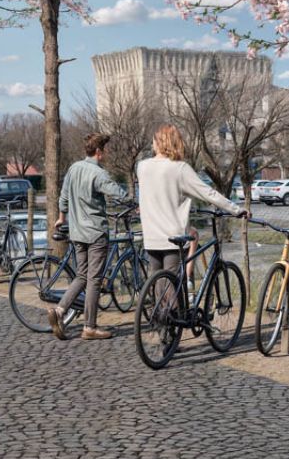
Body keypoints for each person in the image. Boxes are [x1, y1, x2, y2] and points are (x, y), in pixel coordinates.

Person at [135, 125, 245, 314]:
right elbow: (207, 192)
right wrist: (236, 209)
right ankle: (174, 323)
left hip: (151, 236)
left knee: (159, 282)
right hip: (172, 237)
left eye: (154, 140)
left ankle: (163, 326)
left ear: (159, 143)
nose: (152, 144)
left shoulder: (142, 167)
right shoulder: (180, 169)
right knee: (173, 284)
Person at [49, 133, 133, 341]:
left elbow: (64, 196)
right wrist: (134, 202)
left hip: (77, 232)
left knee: (81, 275)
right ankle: (90, 326)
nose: (106, 154)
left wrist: (61, 217)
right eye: (105, 150)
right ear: (99, 152)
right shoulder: (98, 173)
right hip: (95, 232)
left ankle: (59, 311)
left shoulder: (73, 168)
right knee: (94, 280)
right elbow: (118, 193)